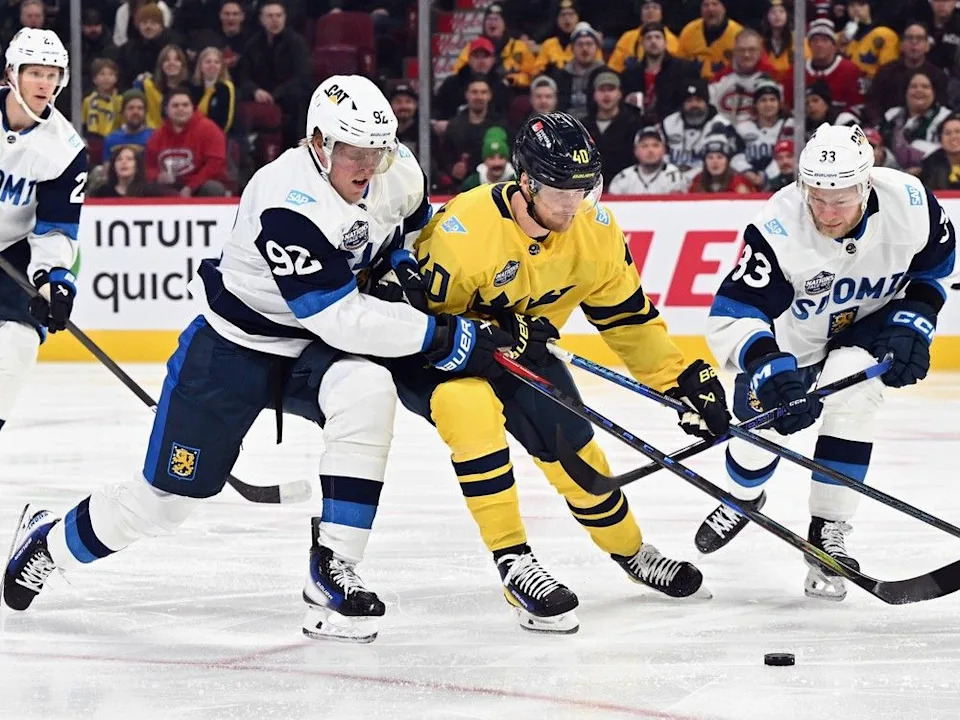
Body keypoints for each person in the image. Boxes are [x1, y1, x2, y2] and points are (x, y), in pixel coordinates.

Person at [2, 75, 517, 644]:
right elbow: (339, 317)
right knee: (165, 503)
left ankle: (333, 570)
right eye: (354, 153)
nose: (369, 166)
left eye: (378, 150)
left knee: (367, 391)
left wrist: (401, 268)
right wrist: (446, 337)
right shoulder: (284, 199)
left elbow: (413, 234)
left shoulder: (397, 170)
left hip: (312, 352)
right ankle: (48, 542)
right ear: (319, 144)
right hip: (233, 350)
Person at [383, 112, 731, 634]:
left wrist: (682, 380)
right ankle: (514, 561)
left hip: (525, 351)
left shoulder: (595, 232)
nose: (574, 205)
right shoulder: (465, 231)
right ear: (525, 181)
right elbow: (414, 324)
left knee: (574, 448)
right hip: (443, 361)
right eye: (560, 191)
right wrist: (494, 332)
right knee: (472, 413)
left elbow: (630, 321)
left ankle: (632, 552)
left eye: (584, 190)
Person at [699, 123, 957, 601]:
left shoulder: (911, 203)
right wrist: (767, 364)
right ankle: (742, 496)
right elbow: (737, 310)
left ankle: (828, 533)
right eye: (817, 197)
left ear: (867, 184)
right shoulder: (778, 225)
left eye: (841, 199)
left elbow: (936, 268)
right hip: (793, 339)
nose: (828, 212)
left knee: (855, 397)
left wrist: (914, 319)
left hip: (868, 325)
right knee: (763, 429)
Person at [0, 29, 87, 437]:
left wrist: (53, 280)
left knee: (19, 339)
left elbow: (56, 226)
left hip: (14, 249)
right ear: (11, 74)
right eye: (35, 72)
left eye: (53, 74)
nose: (45, 84)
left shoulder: (65, 148)